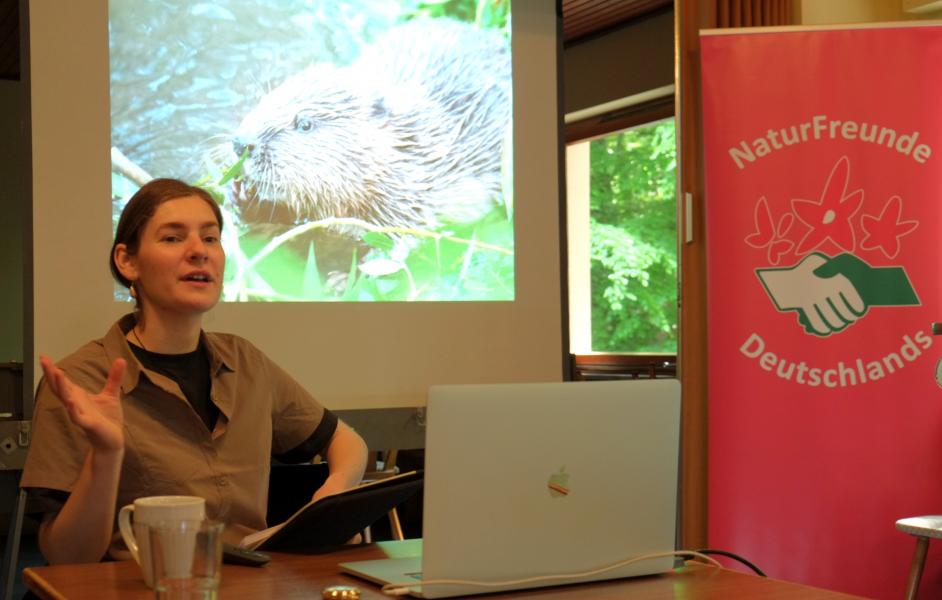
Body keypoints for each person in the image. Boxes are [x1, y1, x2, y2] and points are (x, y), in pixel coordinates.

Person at [20, 178, 368, 564]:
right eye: (172, 238)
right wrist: (105, 453)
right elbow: (66, 558)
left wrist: (334, 492)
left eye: (210, 238)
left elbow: (346, 442)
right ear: (127, 261)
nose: (198, 252)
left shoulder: (245, 361)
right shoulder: (81, 381)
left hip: (247, 587)